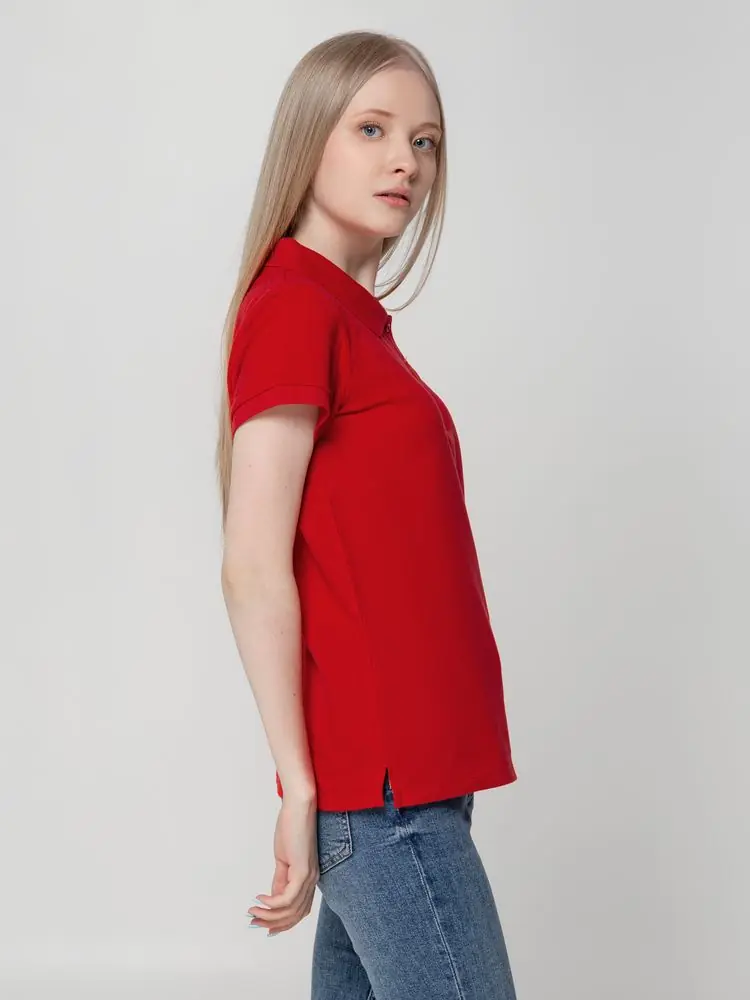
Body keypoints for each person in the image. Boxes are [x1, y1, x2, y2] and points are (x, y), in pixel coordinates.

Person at [218, 29, 518, 1000]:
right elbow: (252, 563)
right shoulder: (296, 307)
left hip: (412, 787)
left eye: (425, 142)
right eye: (374, 129)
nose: (407, 162)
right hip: (384, 798)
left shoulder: (349, 317)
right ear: (309, 137)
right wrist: (300, 786)